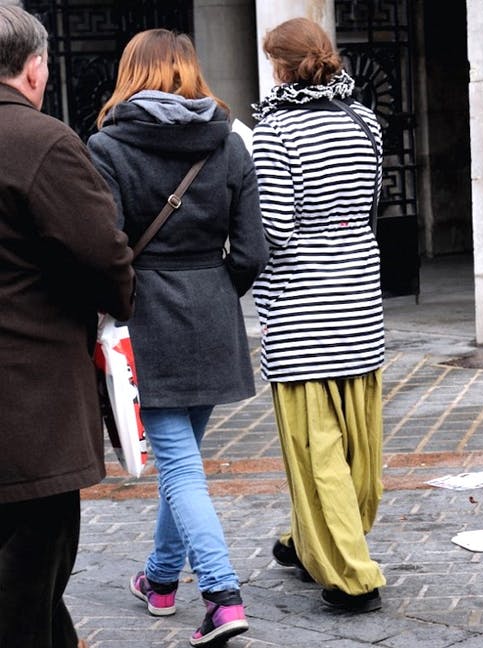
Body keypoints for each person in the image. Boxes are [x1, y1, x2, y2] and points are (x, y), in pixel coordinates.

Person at [87, 29, 267, 647]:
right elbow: (252, 250)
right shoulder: (230, 141)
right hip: (213, 314)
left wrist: (119, 308)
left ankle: (221, 595)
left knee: (181, 468)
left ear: (130, 73)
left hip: (148, 318)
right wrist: (215, 290)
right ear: (190, 70)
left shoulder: (107, 146)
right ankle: (161, 581)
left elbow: (108, 249)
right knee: (182, 460)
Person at [0, 6, 135, 648]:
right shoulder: (40, 141)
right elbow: (103, 257)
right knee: (28, 583)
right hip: (27, 409)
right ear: (35, 69)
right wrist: (114, 302)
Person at [250, 17, 386, 613]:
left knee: (317, 452)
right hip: (359, 300)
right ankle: (306, 540)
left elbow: (276, 228)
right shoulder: (365, 120)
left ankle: (352, 577)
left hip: (301, 309)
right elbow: (371, 204)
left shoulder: (275, 130)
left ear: (280, 66)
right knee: (358, 446)